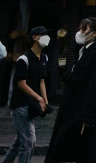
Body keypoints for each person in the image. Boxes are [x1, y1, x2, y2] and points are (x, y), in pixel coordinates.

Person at [46, 17, 96, 163]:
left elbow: (95, 88)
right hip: (70, 109)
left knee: (83, 153)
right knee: (59, 149)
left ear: (94, 33)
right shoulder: (82, 52)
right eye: (80, 28)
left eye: (84, 29)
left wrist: (88, 118)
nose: (79, 32)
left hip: (82, 112)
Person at [2, 26, 50, 163]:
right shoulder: (23, 59)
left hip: (31, 104)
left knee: (20, 141)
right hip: (20, 105)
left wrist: (45, 102)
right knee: (29, 141)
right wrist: (38, 98)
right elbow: (21, 84)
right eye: (44, 35)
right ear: (35, 38)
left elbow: (42, 81)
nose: (47, 38)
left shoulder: (44, 58)